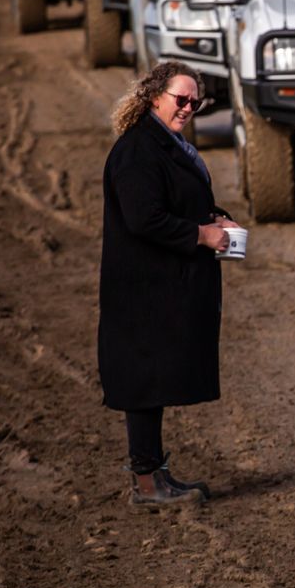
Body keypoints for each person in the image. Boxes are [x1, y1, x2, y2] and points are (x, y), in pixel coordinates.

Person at [99, 62, 236, 505]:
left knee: (152, 381)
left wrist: (213, 215)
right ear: (154, 95)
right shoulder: (138, 149)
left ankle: (155, 474)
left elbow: (174, 198)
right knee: (143, 382)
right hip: (142, 288)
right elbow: (144, 217)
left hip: (159, 285)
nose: (189, 108)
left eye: (196, 102)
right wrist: (201, 235)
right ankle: (146, 482)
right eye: (182, 99)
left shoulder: (164, 142)